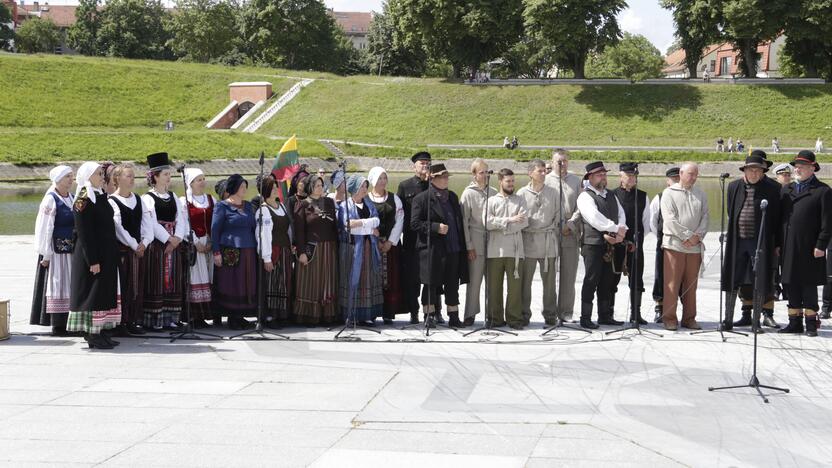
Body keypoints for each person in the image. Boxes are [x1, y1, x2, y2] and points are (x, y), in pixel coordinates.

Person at [721, 152, 782, 332]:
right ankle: (728, 319)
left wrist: (777, 244)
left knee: (760, 279)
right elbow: (731, 213)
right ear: (745, 171)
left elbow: (777, 219)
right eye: (751, 170)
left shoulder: (773, 189)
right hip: (737, 241)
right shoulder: (733, 187)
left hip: (759, 242)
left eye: (758, 170)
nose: (754, 173)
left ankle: (756, 322)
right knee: (732, 278)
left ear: (763, 171)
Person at [67, 162, 121, 349]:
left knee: (103, 293)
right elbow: (84, 232)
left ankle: (101, 331)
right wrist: (93, 260)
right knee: (93, 294)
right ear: (88, 176)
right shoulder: (83, 197)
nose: (101, 176)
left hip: (105, 253)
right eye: (98, 173)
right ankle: (91, 334)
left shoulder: (99, 195)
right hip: (92, 255)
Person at [779, 150, 831, 337]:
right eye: (796, 166)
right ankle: (794, 322)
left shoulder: (823, 191)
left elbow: (827, 222)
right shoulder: (787, 189)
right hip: (789, 245)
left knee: (808, 284)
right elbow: (780, 220)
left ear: (812, 168)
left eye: (802, 166)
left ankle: (810, 323)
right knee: (790, 283)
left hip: (810, 246)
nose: (797, 169)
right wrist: (778, 244)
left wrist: (821, 245)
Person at [410, 163, 468, 328]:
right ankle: (429, 315)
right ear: (432, 178)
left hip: (453, 248)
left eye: (446, 176)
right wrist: (435, 227)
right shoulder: (421, 199)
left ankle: (454, 316)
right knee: (430, 283)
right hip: (432, 249)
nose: (445, 179)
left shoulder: (452, 197)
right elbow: (414, 224)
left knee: (452, 284)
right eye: (442, 177)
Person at [576, 161, 627, 329]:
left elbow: (621, 214)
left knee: (607, 280)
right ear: (589, 177)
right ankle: (585, 317)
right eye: (599, 175)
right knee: (591, 279)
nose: (603, 177)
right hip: (593, 244)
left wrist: (621, 231)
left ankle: (605, 316)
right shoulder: (585, 196)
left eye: (604, 174)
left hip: (611, 243)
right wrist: (615, 229)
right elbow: (594, 218)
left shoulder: (611, 195)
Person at [142, 153, 188, 331]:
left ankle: (172, 317)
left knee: (173, 280)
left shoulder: (173, 196)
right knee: (158, 279)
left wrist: (177, 238)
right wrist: (168, 238)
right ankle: (156, 319)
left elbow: (181, 218)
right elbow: (151, 223)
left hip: (174, 244)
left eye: (169, 174)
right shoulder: (148, 198)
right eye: (166, 174)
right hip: (158, 245)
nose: (169, 177)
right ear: (155, 177)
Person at [660, 162, 709, 331]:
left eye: (696, 174)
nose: (693, 177)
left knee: (691, 284)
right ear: (681, 173)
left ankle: (689, 318)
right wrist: (687, 236)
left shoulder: (701, 194)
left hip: (694, 247)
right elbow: (669, 220)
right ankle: (669, 318)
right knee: (672, 284)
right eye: (690, 174)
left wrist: (697, 237)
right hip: (674, 245)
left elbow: (705, 217)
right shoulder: (668, 193)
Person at [30, 165, 75, 336]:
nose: (71, 180)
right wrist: (45, 253)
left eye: (72, 176)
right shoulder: (51, 199)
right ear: (58, 180)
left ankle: (69, 321)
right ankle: (57, 324)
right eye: (67, 177)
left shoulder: (71, 197)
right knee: (57, 284)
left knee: (69, 284)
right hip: (55, 251)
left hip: (70, 250)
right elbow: (44, 228)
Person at [109, 163, 152, 336]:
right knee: (124, 286)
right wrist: (134, 245)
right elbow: (118, 228)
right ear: (117, 178)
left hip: (138, 251)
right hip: (123, 251)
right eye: (128, 176)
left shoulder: (138, 199)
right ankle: (121, 322)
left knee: (137, 286)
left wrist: (145, 242)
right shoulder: (112, 201)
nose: (132, 179)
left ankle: (133, 319)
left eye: (133, 176)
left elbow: (146, 223)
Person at [211, 174, 258, 330]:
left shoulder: (248, 206)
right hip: (230, 250)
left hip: (248, 249)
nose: (245, 189)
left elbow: (253, 226)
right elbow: (215, 230)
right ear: (234, 188)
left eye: (246, 186)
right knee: (232, 282)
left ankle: (241, 315)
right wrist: (216, 252)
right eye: (242, 187)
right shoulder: (222, 206)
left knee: (246, 282)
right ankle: (232, 317)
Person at [484, 168, 528, 329]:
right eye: (508, 181)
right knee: (494, 288)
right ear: (500, 181)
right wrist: (510, 220)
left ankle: (514, 319)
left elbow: (523, 222)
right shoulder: (491, 201)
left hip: (515, 251)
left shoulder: (520, 200)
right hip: (495, 251)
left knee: (515, 289)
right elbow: (487, 223)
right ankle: (495, 319)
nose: (511, 184)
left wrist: (501, 226)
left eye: (513, 181)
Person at [293, 174, 340, 326]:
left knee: (327, 280)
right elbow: (299, 231)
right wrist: (301, 252)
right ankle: (309, 315)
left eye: (321, 185)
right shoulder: (303, 204)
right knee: (311, 281)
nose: (320, 188)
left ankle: (327, 315)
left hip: (329, 247)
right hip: (312, 249)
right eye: (317, 185)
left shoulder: (329, 202)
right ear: (310, 188)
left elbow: (334, 226)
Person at [517, 160, 559, 326]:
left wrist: (550, 228)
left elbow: (558, 215)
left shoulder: (554, 192)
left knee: (549, 284)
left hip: (548, 241)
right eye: (540, 171)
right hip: (528, 241)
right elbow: (518, 218)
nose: (544, 173)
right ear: (530, 173)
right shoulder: (521, 194)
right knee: (525, 282)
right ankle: (524, 314)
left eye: (544, 171)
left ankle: (550, 315)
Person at [337, 175, 383, 325]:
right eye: (363, 186)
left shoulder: (368, 203)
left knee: (367, 279)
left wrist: (361, 224)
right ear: (355, 189)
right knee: (352, 278)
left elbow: (377, 220)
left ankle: (367, 314)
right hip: (352, 249)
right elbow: (348, 227)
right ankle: (351, 314)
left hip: (369, 247)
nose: (365, 189)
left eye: (365, 186)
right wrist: (369, 228)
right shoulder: (345, 206)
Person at [611, 163, 652, 325]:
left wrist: (637, 238)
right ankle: (608, 313)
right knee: (611, 279)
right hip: (616, 244)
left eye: (634, 175)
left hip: (635, 244)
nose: (631, 178)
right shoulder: (612, 195)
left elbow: (646, 222)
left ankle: (636, 314)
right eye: (628, 175)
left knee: (636, 279)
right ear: (620, 176)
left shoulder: (642, 196)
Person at [545, 149, 583, 323]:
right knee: (550, 275)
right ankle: (550, 313)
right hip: (551, 231)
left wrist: (571, 223)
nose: (562, 164)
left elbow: (582, 206)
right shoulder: (545, 180)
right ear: (552, 162)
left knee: (568, 275)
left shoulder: (576, 181)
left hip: (570, 231)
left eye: (565, 161)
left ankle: (566, 312)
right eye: (559, 161)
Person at [459, 159, 497, 326]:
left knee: (493, 282)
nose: (486, 175)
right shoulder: (468, 194)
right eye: (482, 172)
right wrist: (469, 246)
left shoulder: (495, 192)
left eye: (487, 172)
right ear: (474, 175)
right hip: (475, 241)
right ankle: (470, 314)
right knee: (474, 282)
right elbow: (464, 223)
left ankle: (493, 315)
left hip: (494, 243)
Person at [397, 152, 432, 324]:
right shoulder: (405, 186)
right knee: (412, 279)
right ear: (414, 166)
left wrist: (430, 182)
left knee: (431, 277)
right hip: (412, 239)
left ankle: (433, 311)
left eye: (427, 163)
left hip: (430, 239)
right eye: (421, 163)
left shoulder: (434, 184)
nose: (425, 166)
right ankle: (413, 311)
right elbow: (400, 215)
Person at [367, 166, 405, 324]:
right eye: (379, 178)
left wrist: (390, 241)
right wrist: (374, 239)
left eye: (384, 178)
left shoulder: (394, 199)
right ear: (373, 181)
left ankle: (389, 312)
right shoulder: (366, 199)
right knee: (372, 277)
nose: (383, 181)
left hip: (391, 245)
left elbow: (399, 220)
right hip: (371, 244)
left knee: (391, 277)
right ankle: (372, 311)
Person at [255, 174, 293, 327]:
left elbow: (288, 228)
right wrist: (267, 257)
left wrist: (291, 245)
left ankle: (282, 314)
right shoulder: (263, 211)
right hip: (273, 251)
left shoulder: (281, 206)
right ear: (266, 191)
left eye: (276, 186)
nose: (277, 189)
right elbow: (263, 235)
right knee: (272, 283)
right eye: (273, 187)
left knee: (283, 282)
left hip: (284, 250)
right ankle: (270, 316)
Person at [181, 168, 215, 328]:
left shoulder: (211, 199)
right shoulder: (184, 201)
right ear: (191, 183)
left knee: (207, 277)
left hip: (208, 244)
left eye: (203, 178)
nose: (203, 182)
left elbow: (215, 223)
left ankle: (205, 315)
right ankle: (194, 317)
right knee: (195, 278)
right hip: (194, 245)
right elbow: (184, 223)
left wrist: (211, 242)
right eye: (199, 179)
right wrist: (195, 241)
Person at [649, 167, 680, 323]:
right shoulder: (659, 198)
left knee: (681, 278)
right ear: (667, 181)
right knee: (661, 276)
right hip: (664, 244)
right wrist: (661, 237)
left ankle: (678, 311)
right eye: (673, 179)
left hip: (683, 246)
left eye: (678, 179)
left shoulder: (688, 196)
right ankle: (659, 308)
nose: (676, 182)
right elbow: (652, 222)